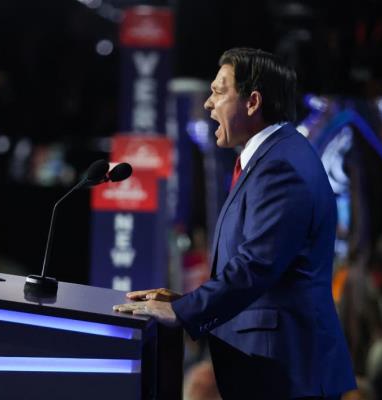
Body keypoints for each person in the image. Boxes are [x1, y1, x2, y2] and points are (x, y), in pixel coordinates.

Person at [114, 48, 356, 399]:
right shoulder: (272, 158)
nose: (208, 104)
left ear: (252, 102)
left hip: (286, 374)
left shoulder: (281, 166)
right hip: (275, 369)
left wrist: (182, 312)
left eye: (219, 91)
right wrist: (187, 300)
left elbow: (256, 265)